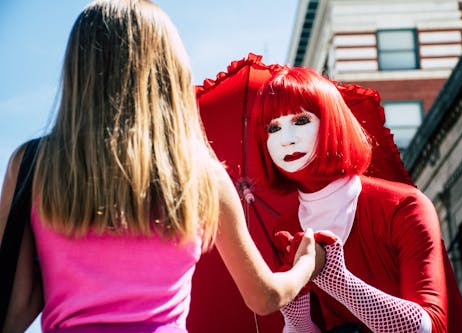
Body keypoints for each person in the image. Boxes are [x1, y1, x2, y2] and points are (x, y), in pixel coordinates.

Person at [0, 2, 320, 332]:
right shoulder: (202, 175)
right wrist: (307, 264)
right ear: (170, 72)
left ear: (78, 69)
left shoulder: (33, 165)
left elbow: (15, 311)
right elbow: (264, 298)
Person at [251, 66, 462, 333]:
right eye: (272, 128)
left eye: (301, 120)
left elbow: (432, 327)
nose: (286, 140)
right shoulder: (285, 232)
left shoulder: (403, 206)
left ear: (332, 121)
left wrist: (337, 280)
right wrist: (296, 318)